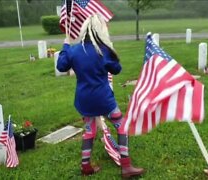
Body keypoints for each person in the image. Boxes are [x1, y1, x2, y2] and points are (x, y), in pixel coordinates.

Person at [57, 14, 144, 178]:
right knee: (121, 126)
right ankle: (126, 167)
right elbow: (117, 69)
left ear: (84, 30)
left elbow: (61, 66)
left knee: (89, 131)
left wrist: (66, 44)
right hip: (104, 100)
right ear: (101, 30)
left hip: (84, 101)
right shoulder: (104, 50)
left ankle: (85, 167)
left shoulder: (74, 50)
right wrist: (111, 49)